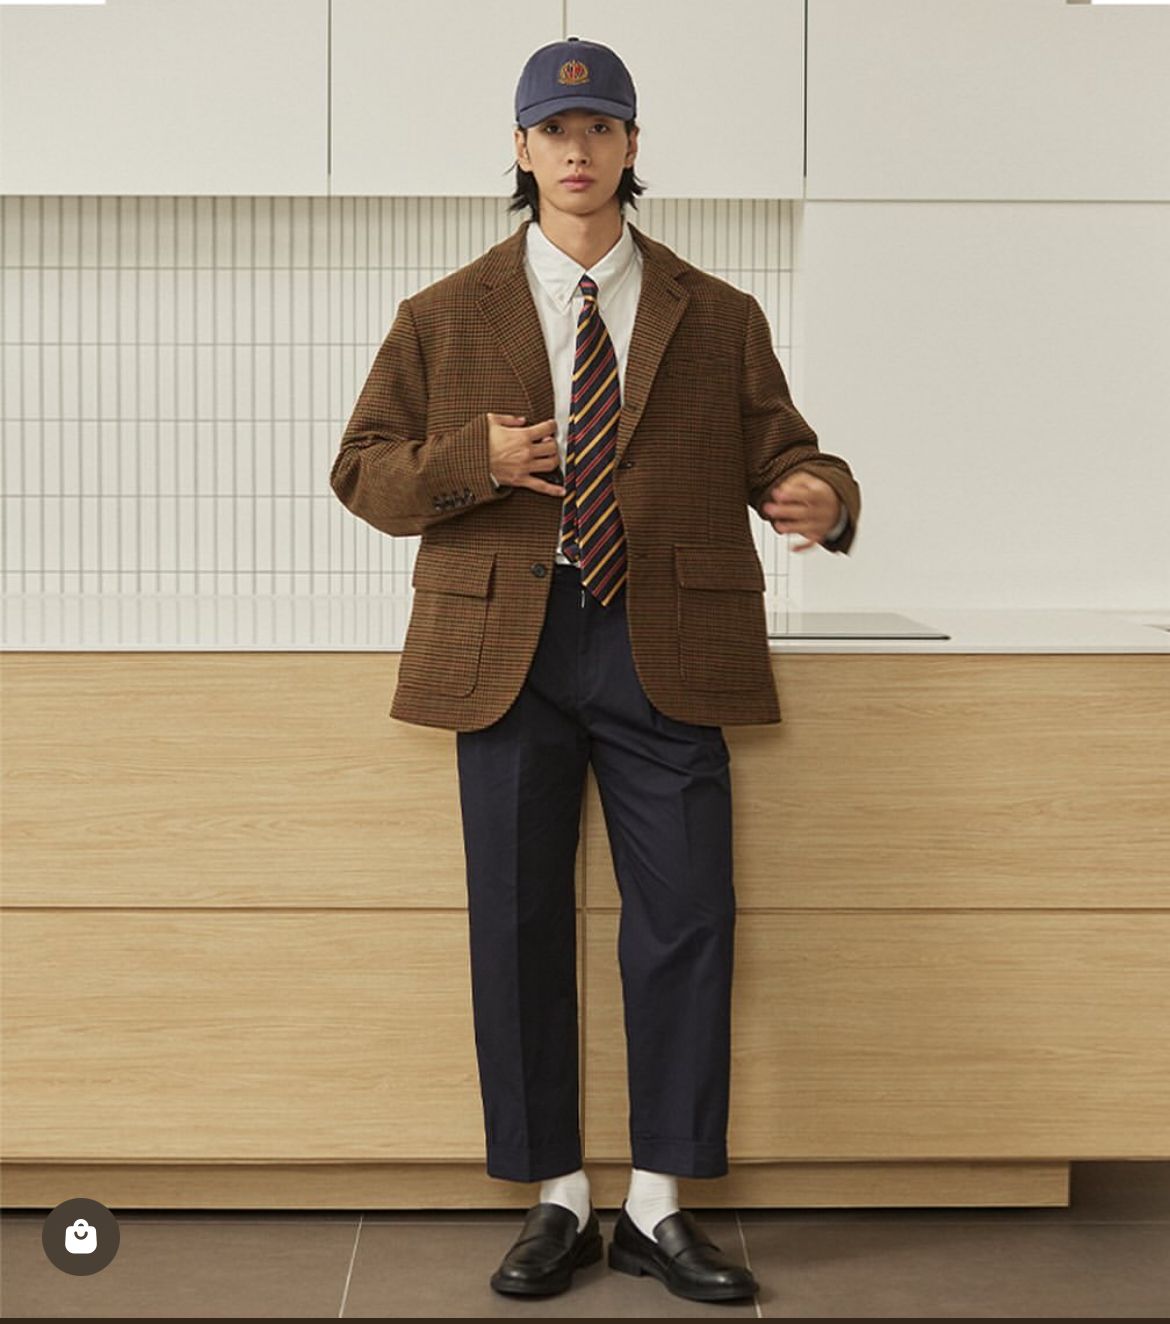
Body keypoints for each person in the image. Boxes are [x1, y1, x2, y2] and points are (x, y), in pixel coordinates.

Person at [330, 34, 861, 1305]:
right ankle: (558, 1195)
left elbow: (790, 450)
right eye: (554, 132)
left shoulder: (717, 314)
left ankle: (661, 1204)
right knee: (516, 924)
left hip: (665, 642)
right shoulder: (441, 315)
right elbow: (364, 473)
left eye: (601, 128)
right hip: (503, 647)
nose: (578, 150)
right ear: (521, 150)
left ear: (630, 146)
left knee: (687, 920)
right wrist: (473, 462)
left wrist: (823, 496)